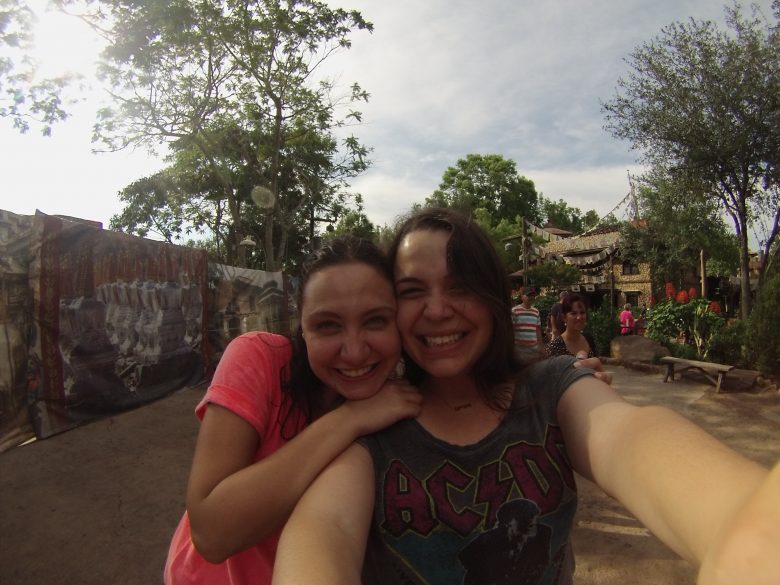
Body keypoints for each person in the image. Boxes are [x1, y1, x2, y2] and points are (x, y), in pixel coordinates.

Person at [273, 207, 780, 585]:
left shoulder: (552, 389)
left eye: (461, 286)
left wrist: (743, 523)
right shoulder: (372, 426)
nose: (437, 310)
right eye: (411, 292)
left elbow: (627, 434)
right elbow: (325, 530)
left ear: (493, 295)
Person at [164, 235, 422, 585]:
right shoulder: (260, 359)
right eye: (328, 325)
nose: (355, 351)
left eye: (376, 320)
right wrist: (350, 419)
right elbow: (211, 532)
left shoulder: (407, 399)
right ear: (301, 326)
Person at [546, 292, 597, 359]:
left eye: (582, 313)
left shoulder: (588, 339)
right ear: (564, 317)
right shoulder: (555, 346)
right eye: (573, 313)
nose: (579, 317)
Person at [511, 286, 544, 364]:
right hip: (519, 351)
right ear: (522, 296)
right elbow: (510, 330)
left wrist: (541, 347)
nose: (531, 297)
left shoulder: (536, 311)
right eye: (528, 295)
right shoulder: (514, 311)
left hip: (533, 351)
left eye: (533, 295)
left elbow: (538, 330)